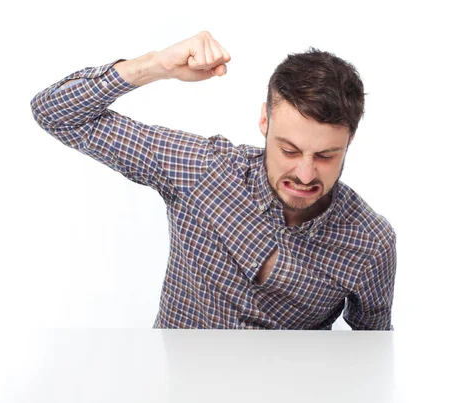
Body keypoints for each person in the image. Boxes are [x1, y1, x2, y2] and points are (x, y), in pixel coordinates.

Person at [30, 31, 397, 330]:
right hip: (171, 388)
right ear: (264, 123)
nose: (304, 174)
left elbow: (374, 354)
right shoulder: (202, 169)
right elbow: (55, 113)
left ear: (350, 141)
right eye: (288, 150)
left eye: (325, 156)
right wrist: (156, 65)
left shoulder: (370, 243)